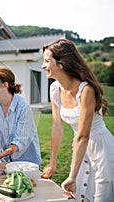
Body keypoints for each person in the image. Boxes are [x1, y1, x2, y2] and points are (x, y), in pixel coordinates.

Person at [41, 39, 114, 201]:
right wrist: (52, 163)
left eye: (47, 61)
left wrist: (72, 176)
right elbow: (56, 126)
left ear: (61, 64)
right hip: (80, 150)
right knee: (80, 196)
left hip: (101, 149)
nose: (43, 66)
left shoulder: (86, 90)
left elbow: (83, 135)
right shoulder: (55, 89)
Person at [0, 66, 42, 167]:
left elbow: (19, 141)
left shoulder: (23, 106)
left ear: (5, 85)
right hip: (5, 161)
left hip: (27, 162)